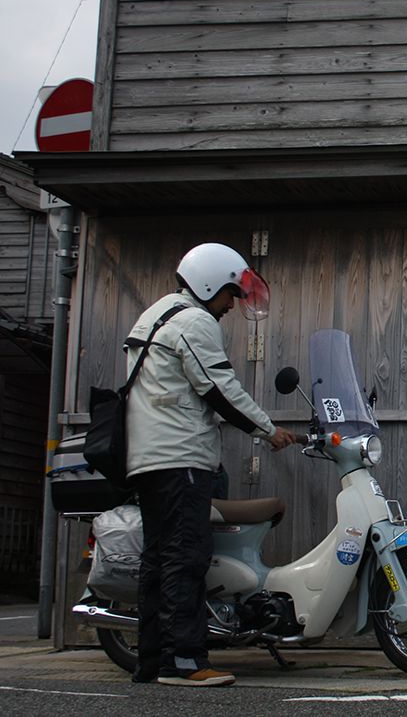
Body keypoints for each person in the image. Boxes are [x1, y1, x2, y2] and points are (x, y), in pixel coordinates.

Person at [125, 242, 296, 687]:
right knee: (187, 558)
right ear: (208, 284)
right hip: (181, 458)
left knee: (159, 560)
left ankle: (151, 661)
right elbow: (219, 388)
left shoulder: (154, 315)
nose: (228, 307)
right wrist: (268, 430)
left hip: (148, 459)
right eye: (228, 295)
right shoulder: (194, 320)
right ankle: (185, 661)